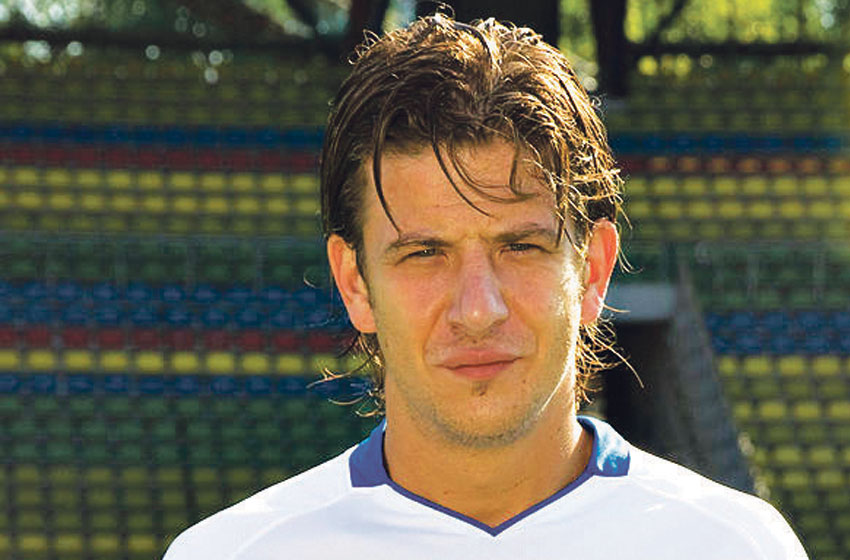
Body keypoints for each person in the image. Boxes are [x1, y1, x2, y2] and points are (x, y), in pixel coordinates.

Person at [164, 13, 808, 559]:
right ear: (354, 283)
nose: (478, 309)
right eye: (424, 254)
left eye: (520, 247)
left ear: (592, 269)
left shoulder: (735, 546)